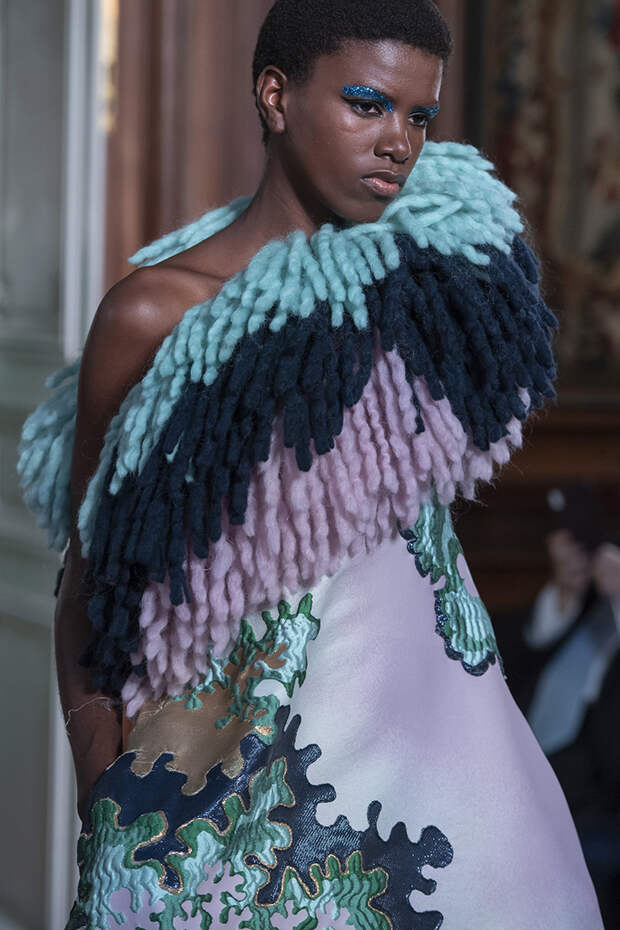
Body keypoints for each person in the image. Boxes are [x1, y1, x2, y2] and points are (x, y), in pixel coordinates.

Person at [17, 1, 603, 927]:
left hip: (445, 778)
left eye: (419, 116)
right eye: (368, 103)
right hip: (222, 810)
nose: (399, 142)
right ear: (276, 94)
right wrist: (104, 787)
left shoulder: (424, 295)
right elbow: (91, 578)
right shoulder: (157, 314)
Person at [526, 528, 620, 927]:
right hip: (537, 781)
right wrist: (566, 590)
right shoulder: (583, 612)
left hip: (601, 805)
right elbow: (529, 645)